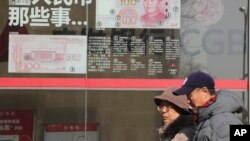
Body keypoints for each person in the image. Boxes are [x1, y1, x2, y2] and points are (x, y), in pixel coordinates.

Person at [173, 71, 244, 141]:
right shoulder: (207, 119)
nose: (188, 100)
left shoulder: (224, 122)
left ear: (204, 92)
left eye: (190, 95)